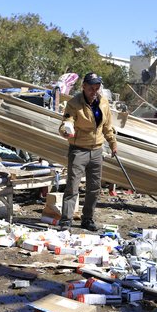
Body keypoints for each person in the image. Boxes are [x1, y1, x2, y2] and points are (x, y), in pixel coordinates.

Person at [57, 72, 117, 231]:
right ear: (83, 87)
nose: (94, 91)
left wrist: (113, 143)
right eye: (91, 88)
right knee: (72, 187)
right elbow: (66, 122)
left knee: (94, 188)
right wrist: (66, 130)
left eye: (97, 88)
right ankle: (66, 221)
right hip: (78, 150)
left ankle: (87, 219)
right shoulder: (74, 103)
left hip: (97, 150)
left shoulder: (103, 103)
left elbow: (107, 127)